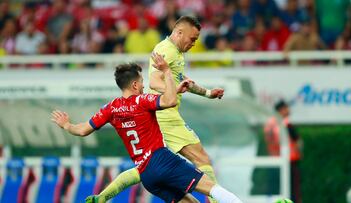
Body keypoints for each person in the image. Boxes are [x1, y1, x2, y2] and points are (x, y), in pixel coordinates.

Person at [51, 55, 243, 203]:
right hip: (162, 160)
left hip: (146, 175)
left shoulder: (111, 108)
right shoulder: (142, 101)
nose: (144, 87)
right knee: (211, 188)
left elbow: (83, 130)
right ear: (134, 84)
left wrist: (66, 124)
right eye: (142, 83)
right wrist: (167, 71)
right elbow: (169, 101)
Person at [88, 16, 225, 203]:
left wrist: (208, 93)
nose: (194, 43)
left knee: (147, 166)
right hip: (166, 114)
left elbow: (181, 79)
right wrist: (173, 90)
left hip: (158, 114)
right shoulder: (166, 50)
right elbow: (154, 81)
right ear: (179, 32)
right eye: (192, 39)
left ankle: (102, 197)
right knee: (202, 158)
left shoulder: (173, 51)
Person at [263, 100, 302, 203]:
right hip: (289, 160)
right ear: (281, 110)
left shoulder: (269, 124)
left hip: (274, 160)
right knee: (293, 190)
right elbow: (297, 141)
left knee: (274, 188)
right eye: (286, 108)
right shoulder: (285, 124)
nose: (288, 110)